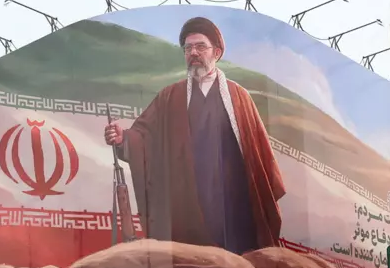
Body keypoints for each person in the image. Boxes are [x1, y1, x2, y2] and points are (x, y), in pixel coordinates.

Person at [102, 17, 285, 255]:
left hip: (233, 199)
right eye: (188, 49)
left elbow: (259, 155)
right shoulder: (170, 96)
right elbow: (143, 135)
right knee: (193, 263)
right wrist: (123, 138)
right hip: (187, 195)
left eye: (200, 47)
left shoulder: (239, 97)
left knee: (240, 265)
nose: (193, 53)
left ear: (216, 52)